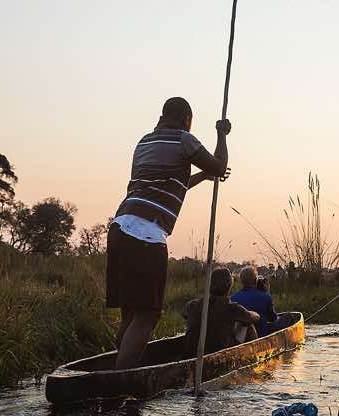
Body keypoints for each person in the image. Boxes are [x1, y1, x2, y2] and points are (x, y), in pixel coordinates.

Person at [108, 97, 232, 369]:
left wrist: (202, 177)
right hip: (146, 233)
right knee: (147, 317)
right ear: (186, 119)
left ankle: (115, 376)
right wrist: (221, 134)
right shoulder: (183, 140)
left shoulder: (144, 142)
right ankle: (120, 382)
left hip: (120, 228)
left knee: (130, 315)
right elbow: (220, 165)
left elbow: (171, 182)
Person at [183, 267, 259, 357]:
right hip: (219, 352)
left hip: (191, 352)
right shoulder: (232, 308)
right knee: (248, 324)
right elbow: (255, 318)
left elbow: (185, 315)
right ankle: (255, 357)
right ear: (229, 285)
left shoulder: (191, 305)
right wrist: (253, 313)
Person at [231, 266, 278, 337]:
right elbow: (273, 318)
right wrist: (267, 293)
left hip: (240, 341)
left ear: (241, 281)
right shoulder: (266, 297)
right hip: (261, 337)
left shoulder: (232, 298)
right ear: (256, 280)